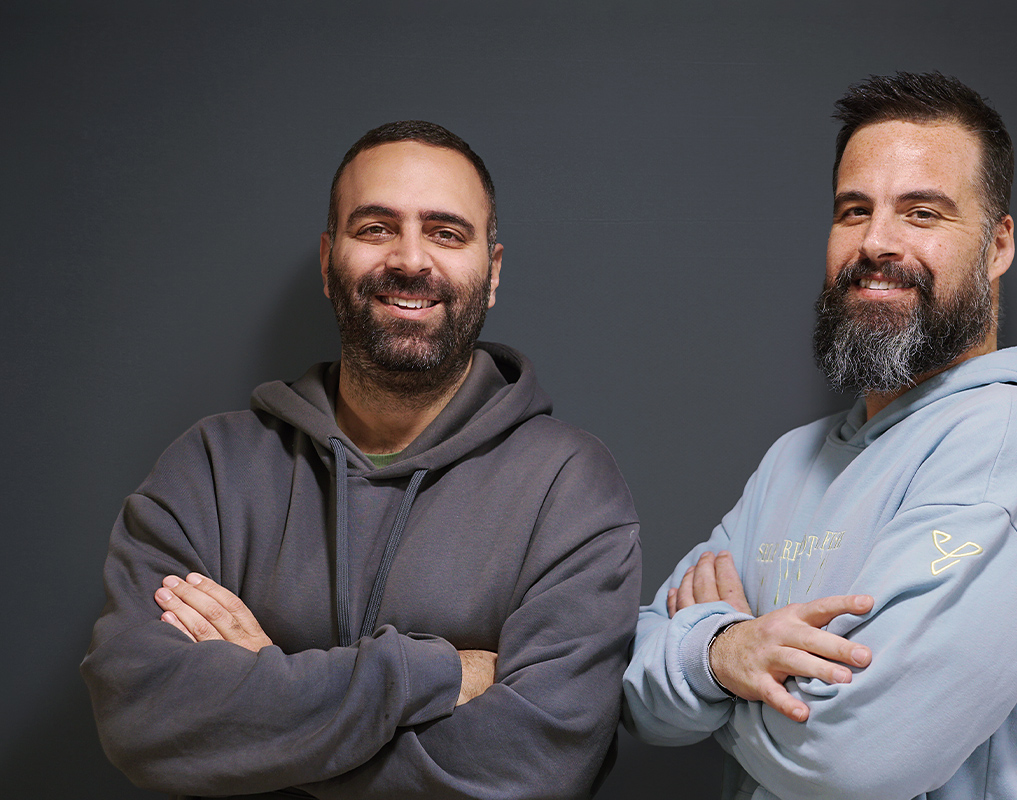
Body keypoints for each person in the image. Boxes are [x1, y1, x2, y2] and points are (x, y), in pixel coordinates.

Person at [81, 121, 642, 800]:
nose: (410, 259)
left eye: (446, 233)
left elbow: (538, 769)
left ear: (492, 272)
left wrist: (266, 701)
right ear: (328, 261)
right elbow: (140, 715)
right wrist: (434, 675)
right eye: (376, 228)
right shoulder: (211, 468)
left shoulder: (569, 485)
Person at [622, 72, 1017, 799]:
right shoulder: (791, 463)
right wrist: (725, 647)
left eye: (922, 213)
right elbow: (629, 690)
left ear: (998, 244)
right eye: (854, 211)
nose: (877, 242)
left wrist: (706, 662)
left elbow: (848, 760)